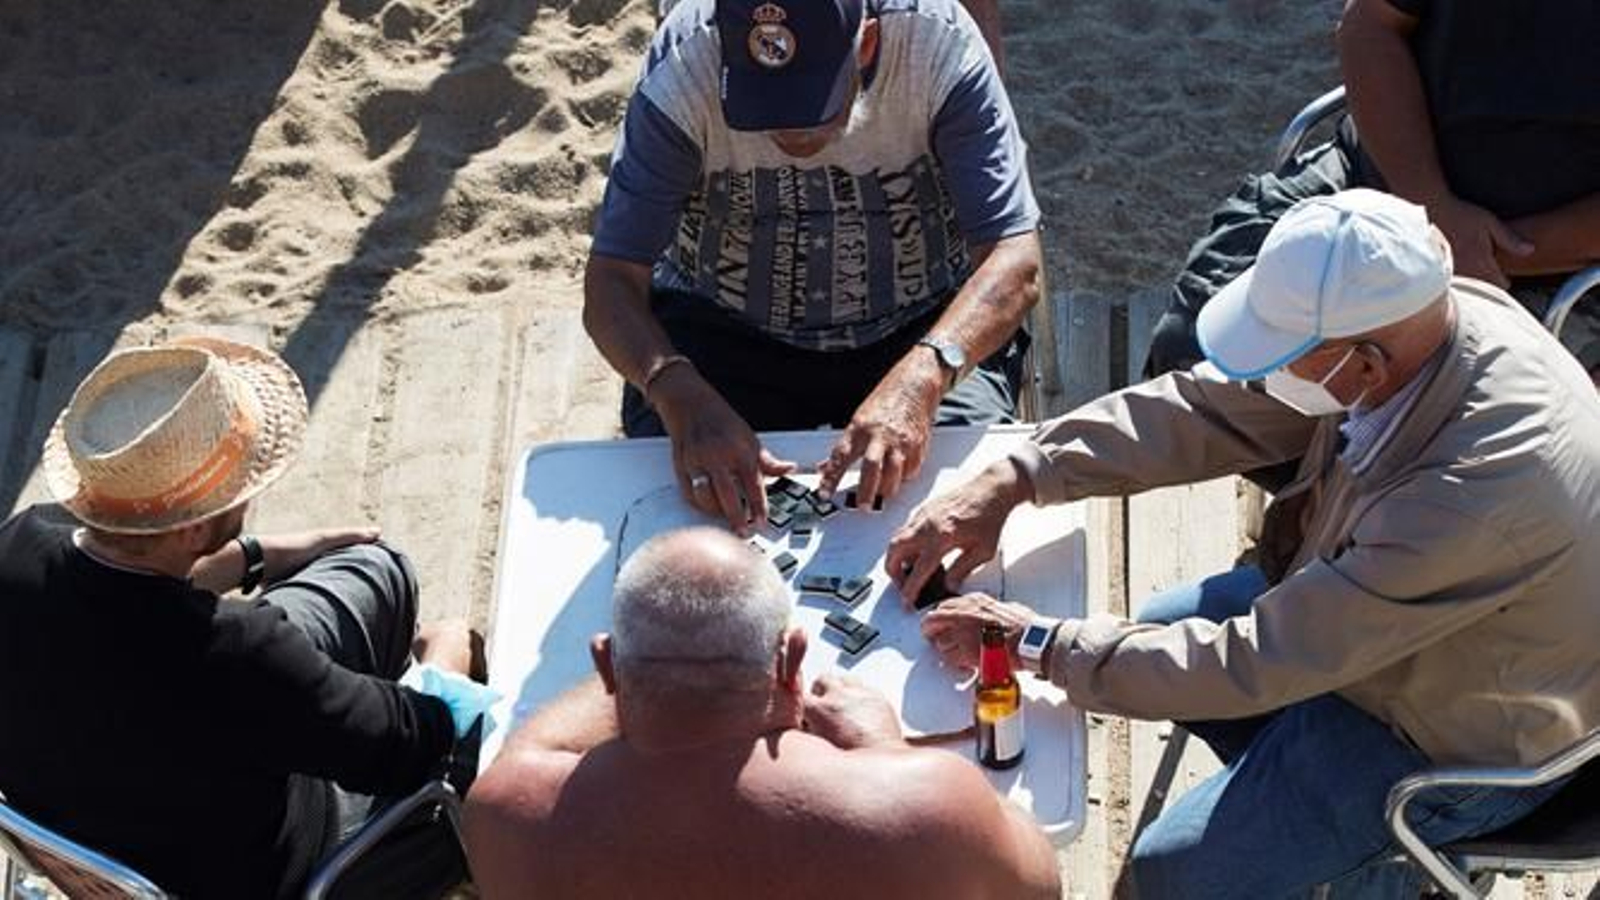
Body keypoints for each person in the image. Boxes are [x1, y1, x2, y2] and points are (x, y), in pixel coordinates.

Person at [888, 190, 1600, 897]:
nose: (1270, 372)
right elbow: (1210, 407)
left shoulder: (1469, 491)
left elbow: (1259, 659)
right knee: (1161, 627)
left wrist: (1038, 643)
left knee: (1172, 872)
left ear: (1366, 364)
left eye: (1287, 354)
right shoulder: (1424, 323)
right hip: (1385, 632)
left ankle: (1379, 873)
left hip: (1458, 740)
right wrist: (1022, 472)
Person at [0, 337, 482, 899]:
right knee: (465, 716)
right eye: (239, 487)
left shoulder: (17, 546)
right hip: (275, 870)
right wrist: (447, 659)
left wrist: (260, 555)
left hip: (103, 843)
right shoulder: (236, 654)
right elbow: (417, 743)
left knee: (375, 569)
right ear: (193, 529)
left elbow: (126, 595)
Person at [585, 0, 1041, 531]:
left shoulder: (938, 43)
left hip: (925, 326)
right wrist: (674, 389)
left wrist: (923, 377)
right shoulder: (685, 61)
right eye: (764, 102)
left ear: (866, 44)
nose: (790, 133)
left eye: (812, 103)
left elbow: (1015, 260)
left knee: (956, 510)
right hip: (721, 331)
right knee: (685, 529)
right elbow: (611, 279)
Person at [464, 526, 1059, 899]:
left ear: (605, 665)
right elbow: (1041, 886)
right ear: (792, 659)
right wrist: (886, 751)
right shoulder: (929, 808)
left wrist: (655, 668)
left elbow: (529, 752)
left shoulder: (507, 812)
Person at [1145, 0, 1600, 380]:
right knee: (1191, 348)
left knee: (1492, 426)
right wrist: (1432, 210)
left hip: (1559, 269)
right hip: (1380, 187)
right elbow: (1369, 26)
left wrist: (1478, 252)